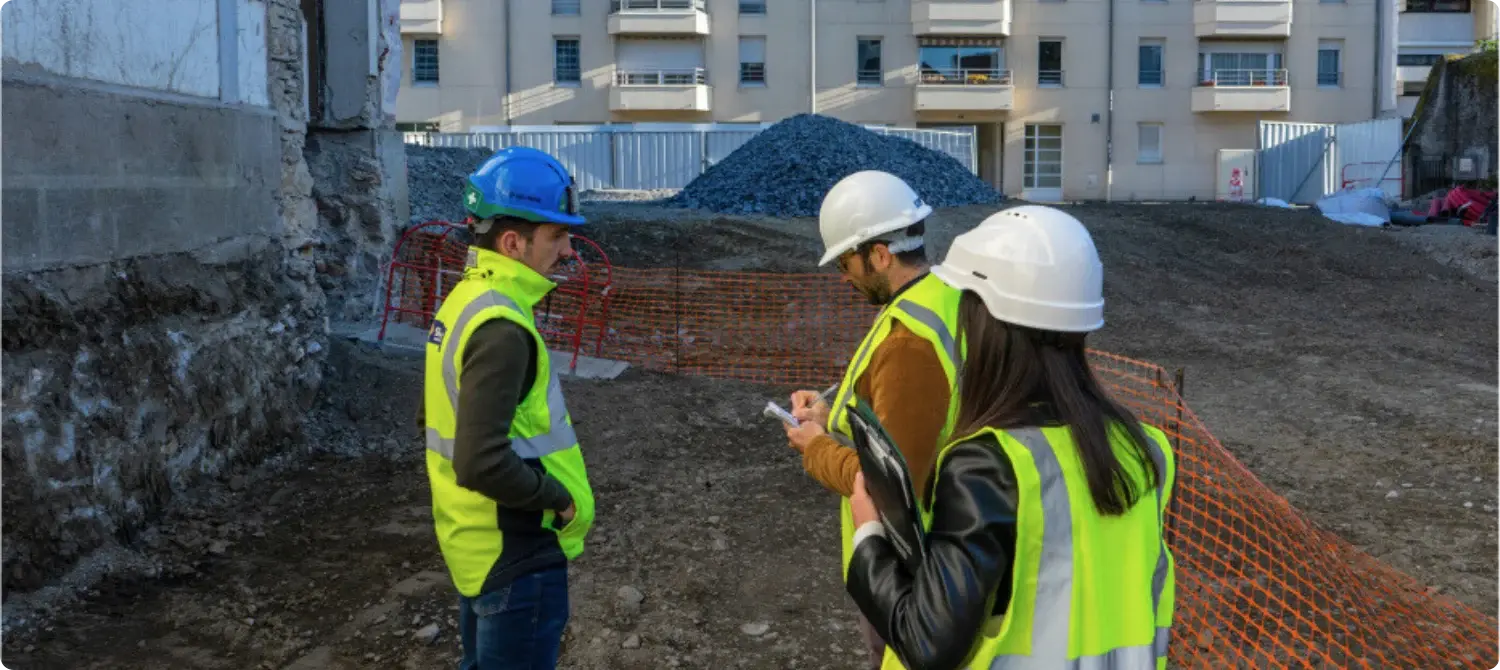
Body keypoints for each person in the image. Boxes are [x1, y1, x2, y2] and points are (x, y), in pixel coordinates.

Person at [843, 205, 1177, 670]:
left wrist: (869, 539)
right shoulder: (1145, 450)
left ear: (985, 322)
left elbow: (927, 644)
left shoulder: (988, 467)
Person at [419, 146, 596, 670]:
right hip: (516, 555)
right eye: (557, 236)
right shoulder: (502, 328)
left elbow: (436, 415)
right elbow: (480, 459)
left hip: (480, 546)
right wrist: (558, 501)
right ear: (514, 242)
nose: (567, 250)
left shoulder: (466, 301)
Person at [782, 170, 966, 670]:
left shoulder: (908, 341)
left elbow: (889, 488)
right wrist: (830, 415)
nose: (845, 277)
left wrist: (816, 445)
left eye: (847, 262)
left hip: (909, 564)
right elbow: (907, 417)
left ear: (880, 254)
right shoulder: (939, 298)